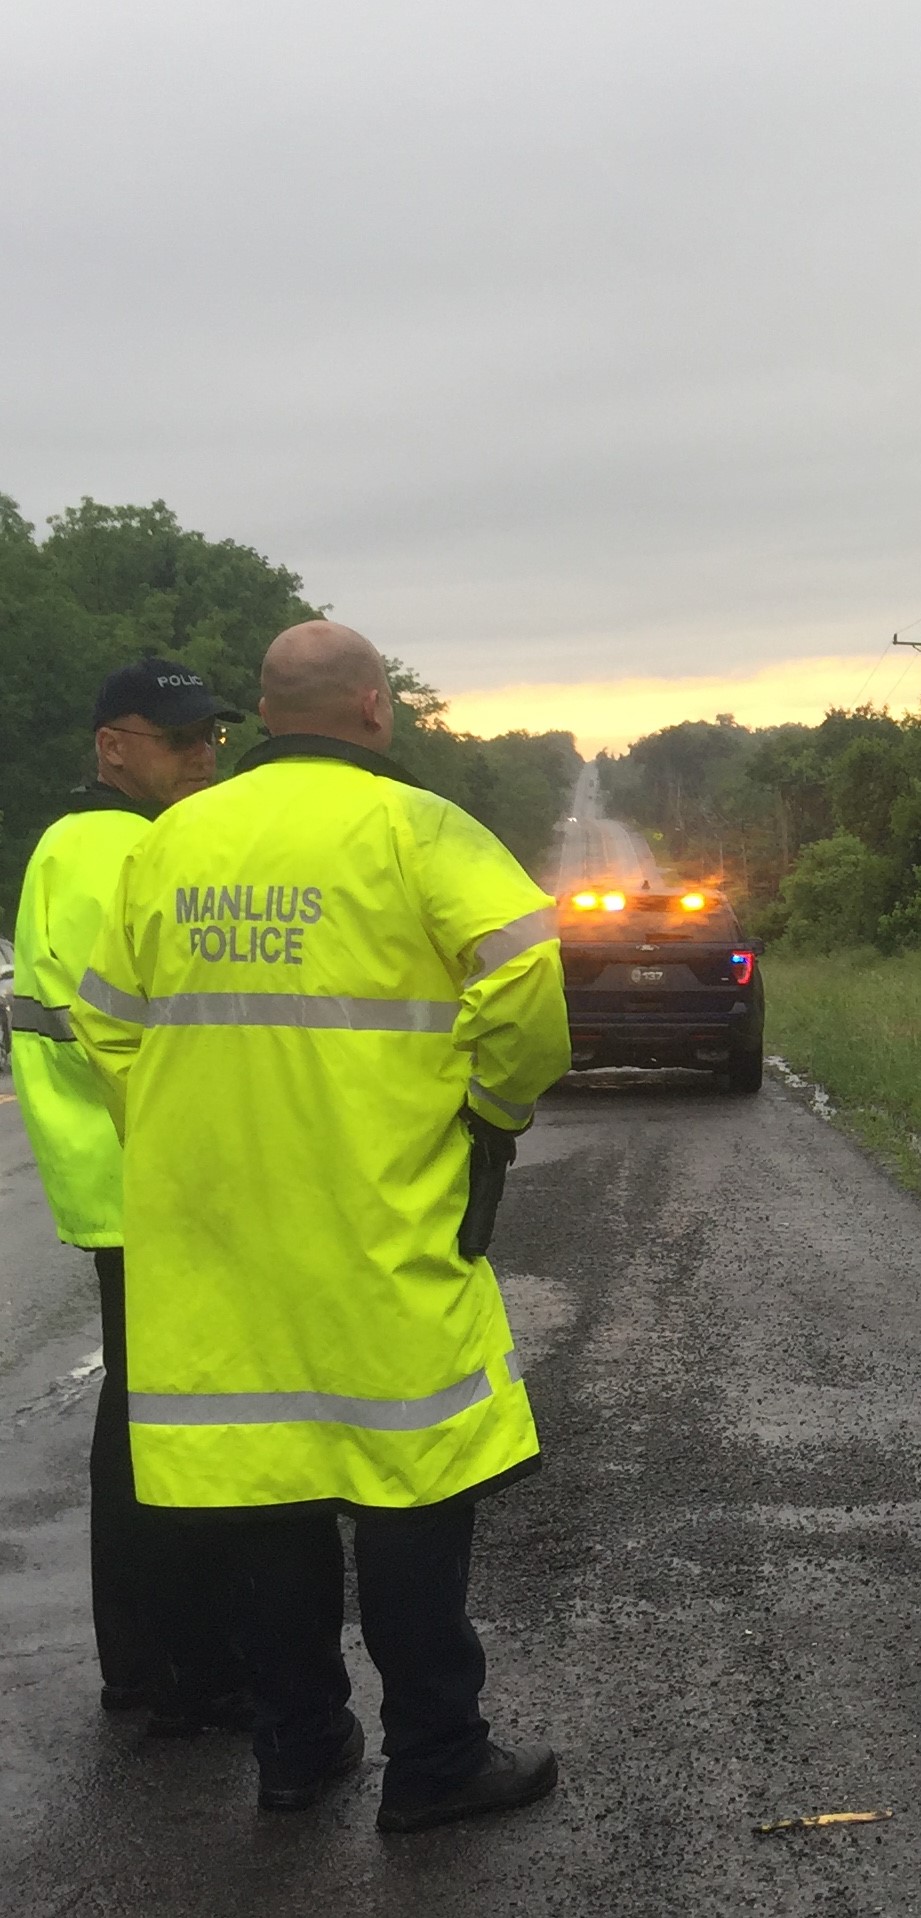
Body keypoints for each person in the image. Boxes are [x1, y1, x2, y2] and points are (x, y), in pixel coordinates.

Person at [71, 620, 570, 1831]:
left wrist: (195, 1125)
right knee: (409, 1492)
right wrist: (485, 1109)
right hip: (377, 1222)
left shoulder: (171, 841)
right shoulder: (416, 830)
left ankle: (300, 1750)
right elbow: (527, 982)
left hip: (219, 1237)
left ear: (258, 713)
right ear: (374, 711)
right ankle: (437, 1761)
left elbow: (103, 1021)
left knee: (270, 1503)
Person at [8, 657, 251, 1734]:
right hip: (146, 1167)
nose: (202, 757)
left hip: (126, 1169)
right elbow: (160, 1024)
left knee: (145, 1411)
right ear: (115, 744)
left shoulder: (89, 841)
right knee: (165, 1421)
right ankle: (175, 1669)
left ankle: (154, 1661)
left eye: (212, 739)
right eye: (180, 738)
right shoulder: (115, 848)